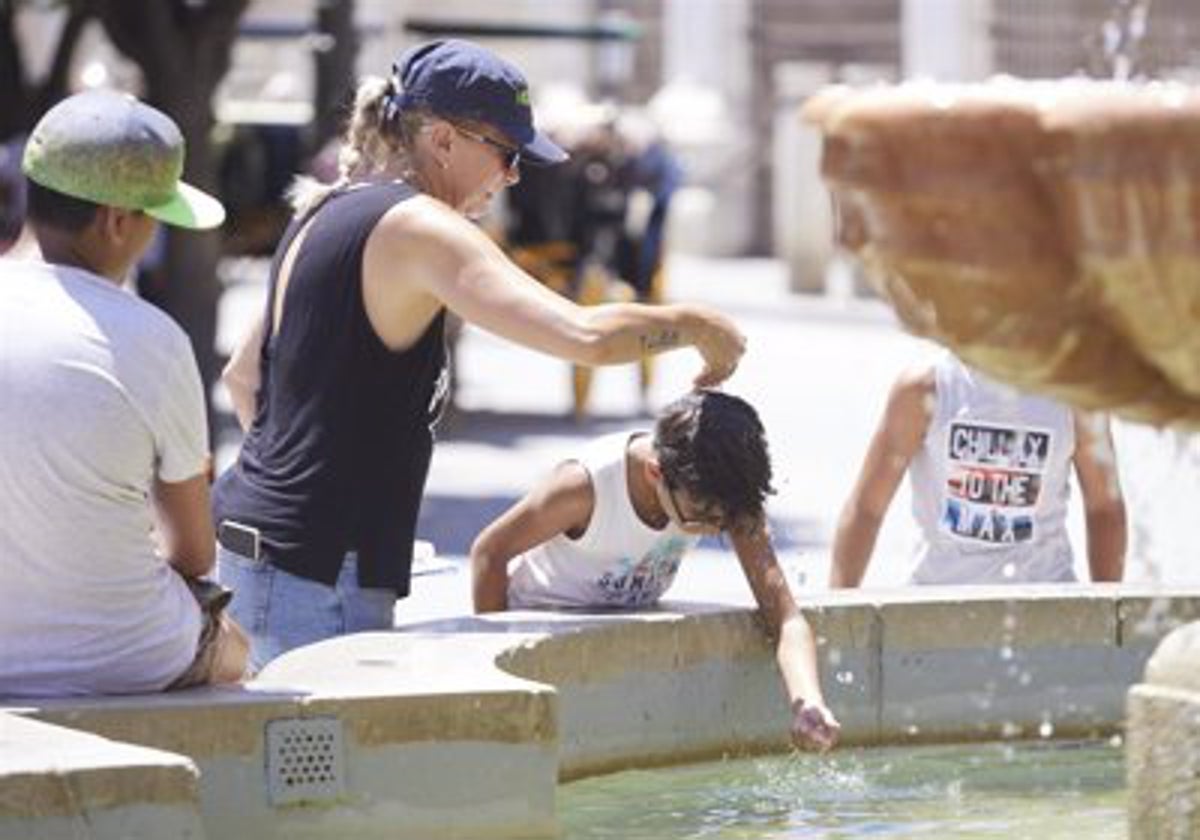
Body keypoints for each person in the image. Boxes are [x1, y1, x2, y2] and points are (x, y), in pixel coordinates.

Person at [214, 39, 745, 671]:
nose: (514, 175)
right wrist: (695, 324)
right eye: (507, 153)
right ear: (442, 140)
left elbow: (242, 375)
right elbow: (582, 335)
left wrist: (306, 490)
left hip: (269, 552)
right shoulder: (420, 227)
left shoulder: (327, 208)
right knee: (329, 770)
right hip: (317, 572)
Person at [0, 90, 248, 697]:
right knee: (239, 649)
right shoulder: (152, 339)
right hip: (127, 653)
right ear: (116, 220)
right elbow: (192, 553)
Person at [471, 390, 840, 752]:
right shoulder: (583, 488)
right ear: (655, 473)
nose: (716, 528)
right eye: (702, 517)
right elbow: (489, 552)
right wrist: (500, 679)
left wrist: (807, 702)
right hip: (542, 626)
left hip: (614, 641)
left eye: (724, 520)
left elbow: (786, 617)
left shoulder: (721, 495)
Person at [829, 351, 1128, 588]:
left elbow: (1105, 507)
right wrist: (837, 617)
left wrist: (1110, 619)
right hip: (938, 606)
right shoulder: (925, 388)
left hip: (1045, 602)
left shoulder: (1074, 396)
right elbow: (867, 509)